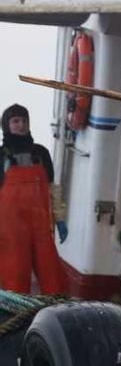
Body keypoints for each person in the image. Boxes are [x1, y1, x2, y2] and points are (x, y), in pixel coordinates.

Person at [0, 104, 68, 295]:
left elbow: (53, 189)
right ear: (6, 125)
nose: (21, 125)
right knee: (15, 277)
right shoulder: (1, 156)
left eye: (24, 121)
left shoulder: (41, 153)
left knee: (52, 274)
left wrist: (60, 218)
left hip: (40, 226)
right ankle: (16, 318)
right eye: (15, 121)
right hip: (11, 231)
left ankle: (56, 311)